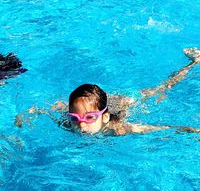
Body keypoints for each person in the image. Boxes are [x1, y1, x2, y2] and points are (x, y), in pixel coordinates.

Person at [15, 47, 200, 135]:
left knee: (161, 89)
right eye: (75, 119)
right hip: (98, 104)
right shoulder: (68, 124)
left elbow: (153, 129)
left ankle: (194, 62)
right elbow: (43, 109)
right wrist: (25, 116)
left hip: (121, 103)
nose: (81, 125)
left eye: (89, 118)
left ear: (103, 118)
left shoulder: (115, 129)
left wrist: (189, 130)